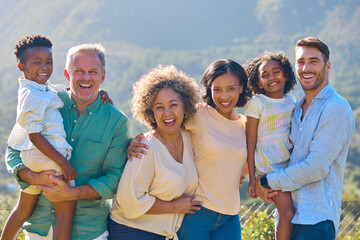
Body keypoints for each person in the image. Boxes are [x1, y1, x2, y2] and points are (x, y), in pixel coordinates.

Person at [5, 43, 130, 240]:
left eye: (93, 72)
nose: (86, 78)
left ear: (102, 77)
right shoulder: (46, 101)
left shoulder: (117, 122)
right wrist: (31, 176)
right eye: (79, 71)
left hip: (88, 233)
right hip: (39, 228)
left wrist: (73, 193)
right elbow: (14, 148)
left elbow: (114, 178)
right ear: (67, 74)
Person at [128, 59, 252, 240]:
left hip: (230, 216)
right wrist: (136, 141)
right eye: (217, 89)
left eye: (230, 89)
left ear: (241, 87)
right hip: (196, 213)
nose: (224, 96)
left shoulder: (245, 125)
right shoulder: (199, 114)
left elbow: (247, 162)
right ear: (209, 89)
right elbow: (166, 121)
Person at [257, 37, 355, 240]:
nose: (306, 67)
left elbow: (315, 167)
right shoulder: (295, 109)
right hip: (288, 219)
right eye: (301, 62)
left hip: (316, 222)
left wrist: (267, 181)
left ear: (327, 66)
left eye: (314, 61)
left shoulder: (335, 107)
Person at [108, 65, 202, 240]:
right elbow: (129, 202)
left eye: (173, 105)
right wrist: (174, 206)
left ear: (185, 106)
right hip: (131, 232)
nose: (167, 113)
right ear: (150, 112)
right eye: (159, 107)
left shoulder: (188, 138)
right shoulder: (145, 147)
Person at [1, 34, 76, 240]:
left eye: (49, 62)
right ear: (21, 66)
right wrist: (64, 163)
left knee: (22, 209)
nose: (45, 67)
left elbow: (60, 91)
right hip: (47, 155)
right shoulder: (31, 95)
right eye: (37, 62)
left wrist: (99, 92)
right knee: (65, 212)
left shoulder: (39, 87)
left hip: (34, 158)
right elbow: (34, 135)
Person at [245, 51, 297, 240]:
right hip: (268, 169)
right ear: (258, 83)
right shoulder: (257, 103)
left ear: (286, 75)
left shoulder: (291, 102)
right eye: (264, 75)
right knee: (288, 214)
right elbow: (250, 142)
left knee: (293, 213)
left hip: (289, 167)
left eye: (276, 72)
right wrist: (252, 179)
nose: (271, 77)